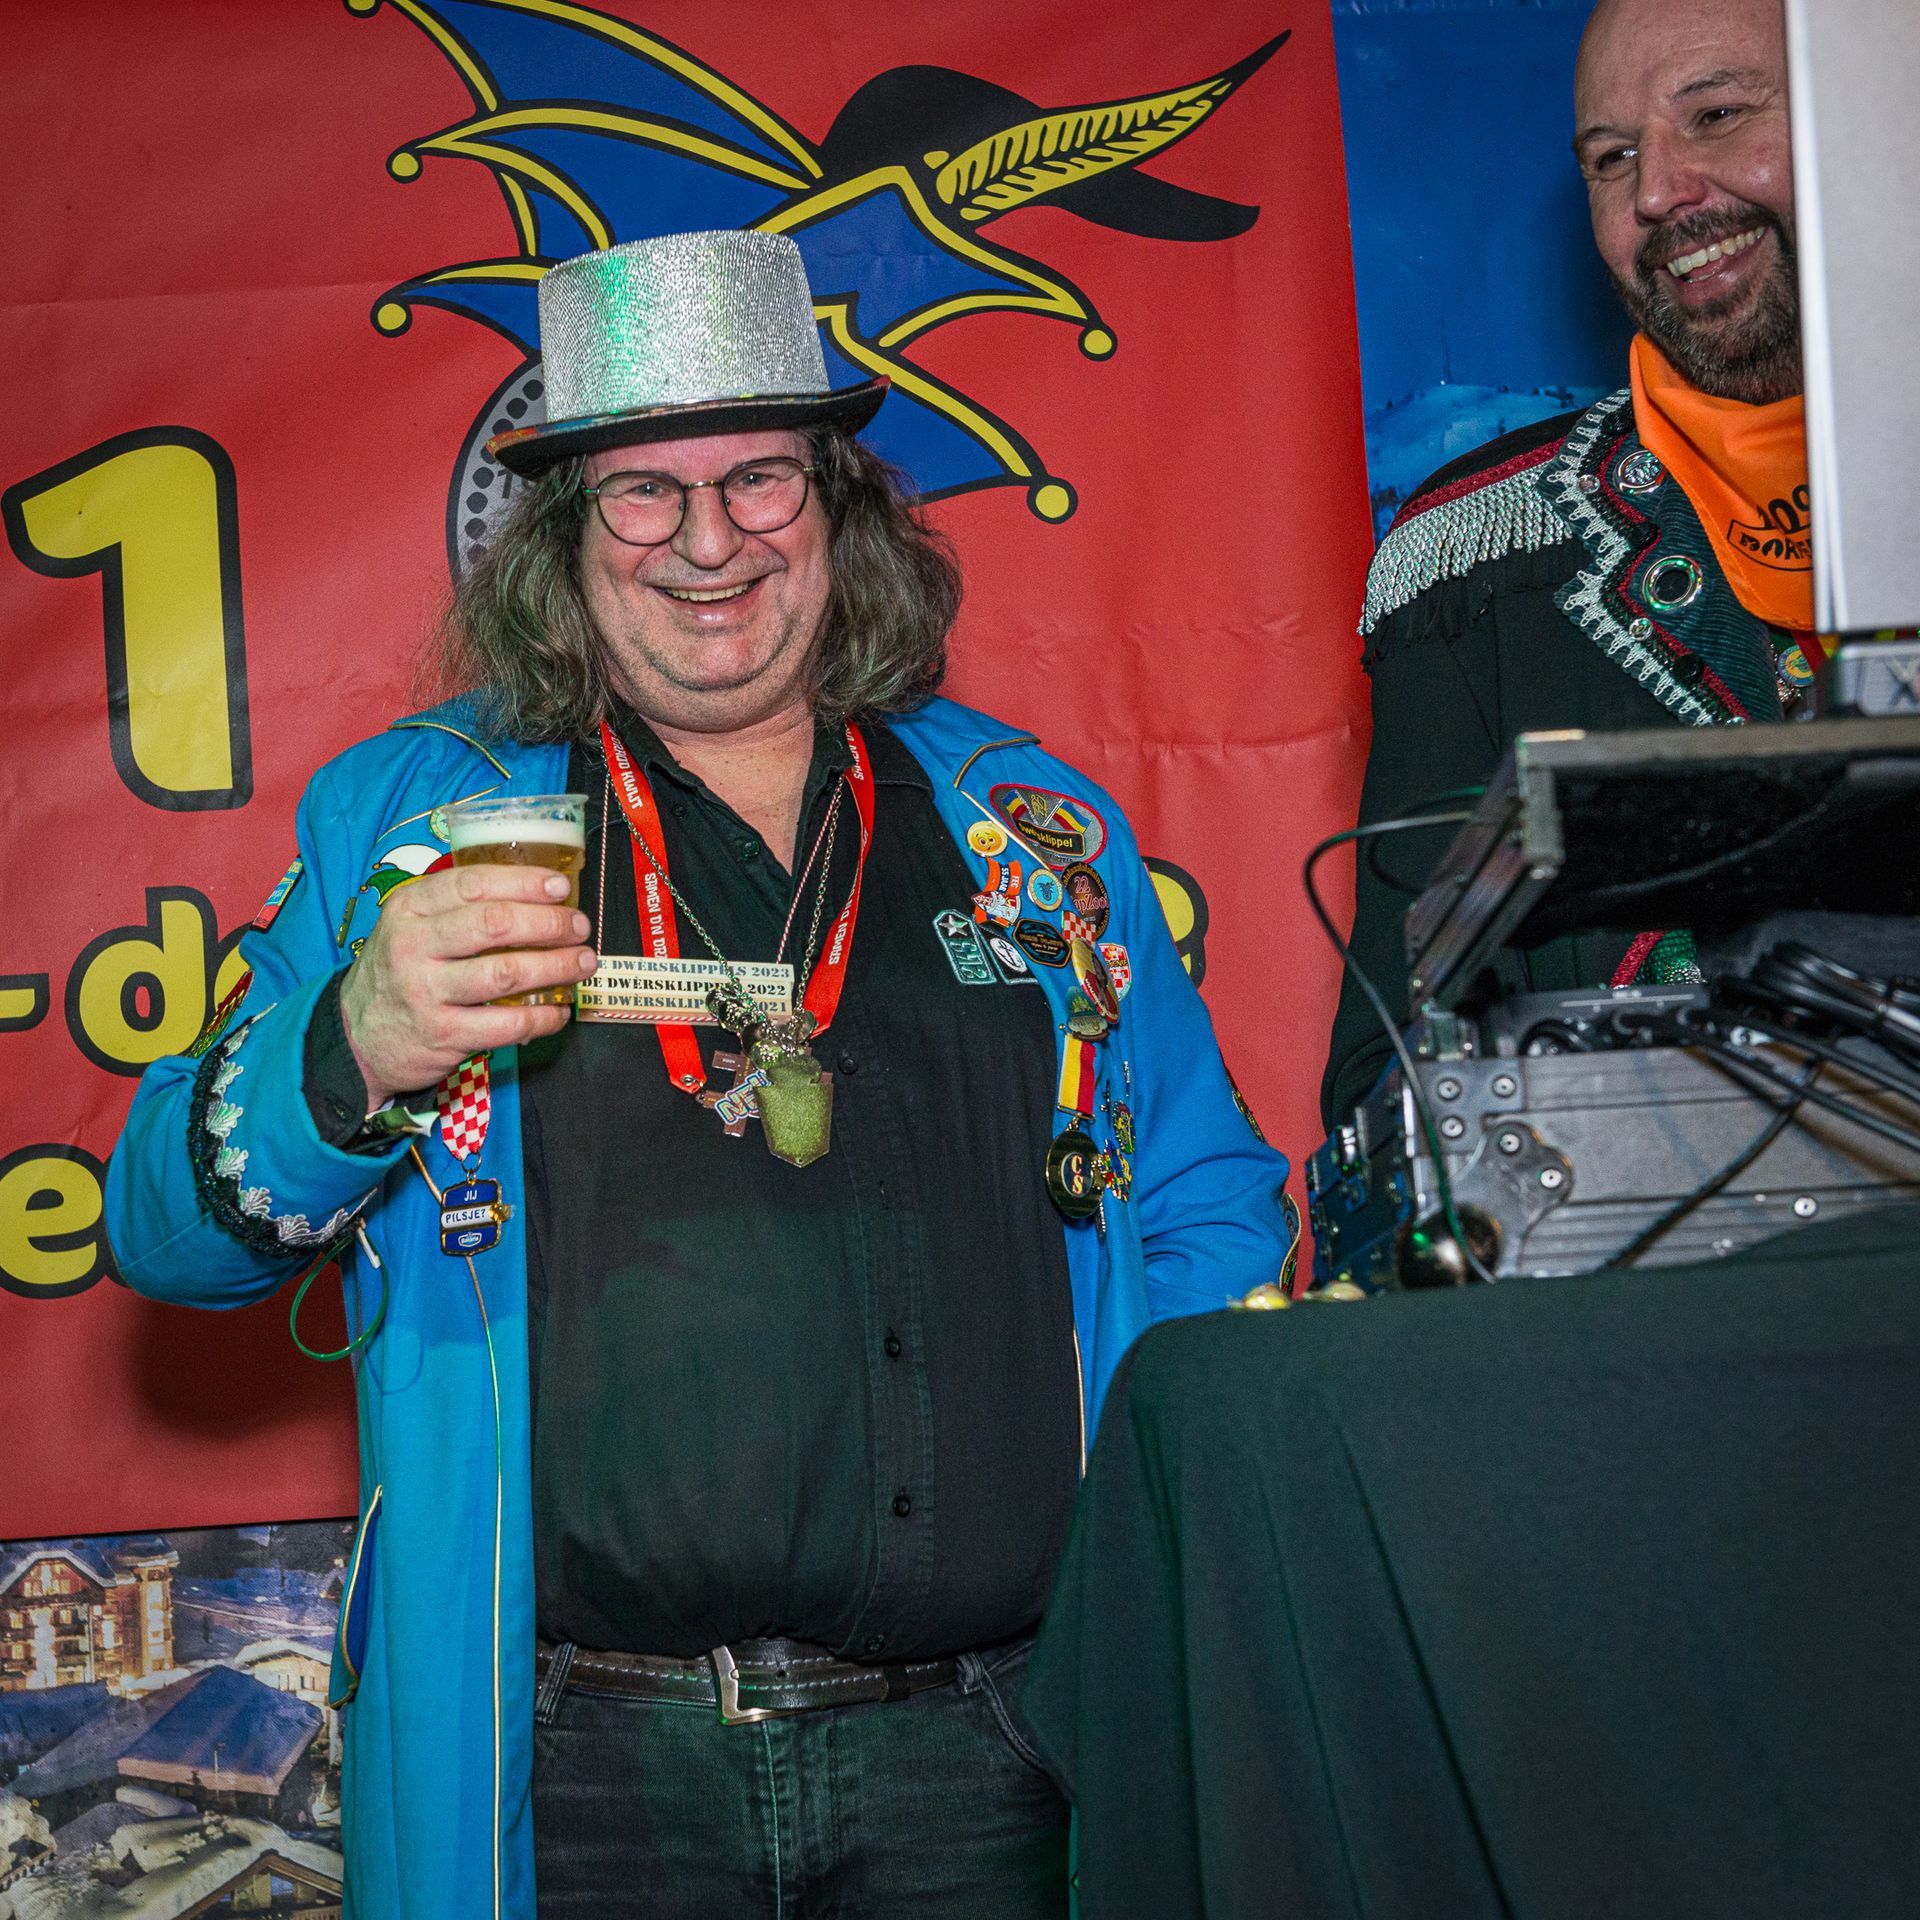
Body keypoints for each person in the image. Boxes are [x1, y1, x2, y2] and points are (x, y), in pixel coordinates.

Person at [104, 229, 1291, 1920]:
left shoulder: (1030, 827)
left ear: (839, 506)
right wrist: (355, 1038)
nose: (711, 539)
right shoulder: (414, 821)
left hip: (1000, 1752)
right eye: (645, 493)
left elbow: (1207, 1200)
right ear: (564, 535)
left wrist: (1154, 1554)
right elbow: (160, 1230)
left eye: (759, 479)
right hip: (580, 1773)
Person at [1323, 0, 1816, 1127]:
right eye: (1612, 158)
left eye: (1717, 115)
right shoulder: (1478, 562)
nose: (1659, 193)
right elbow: (1392, 1087)